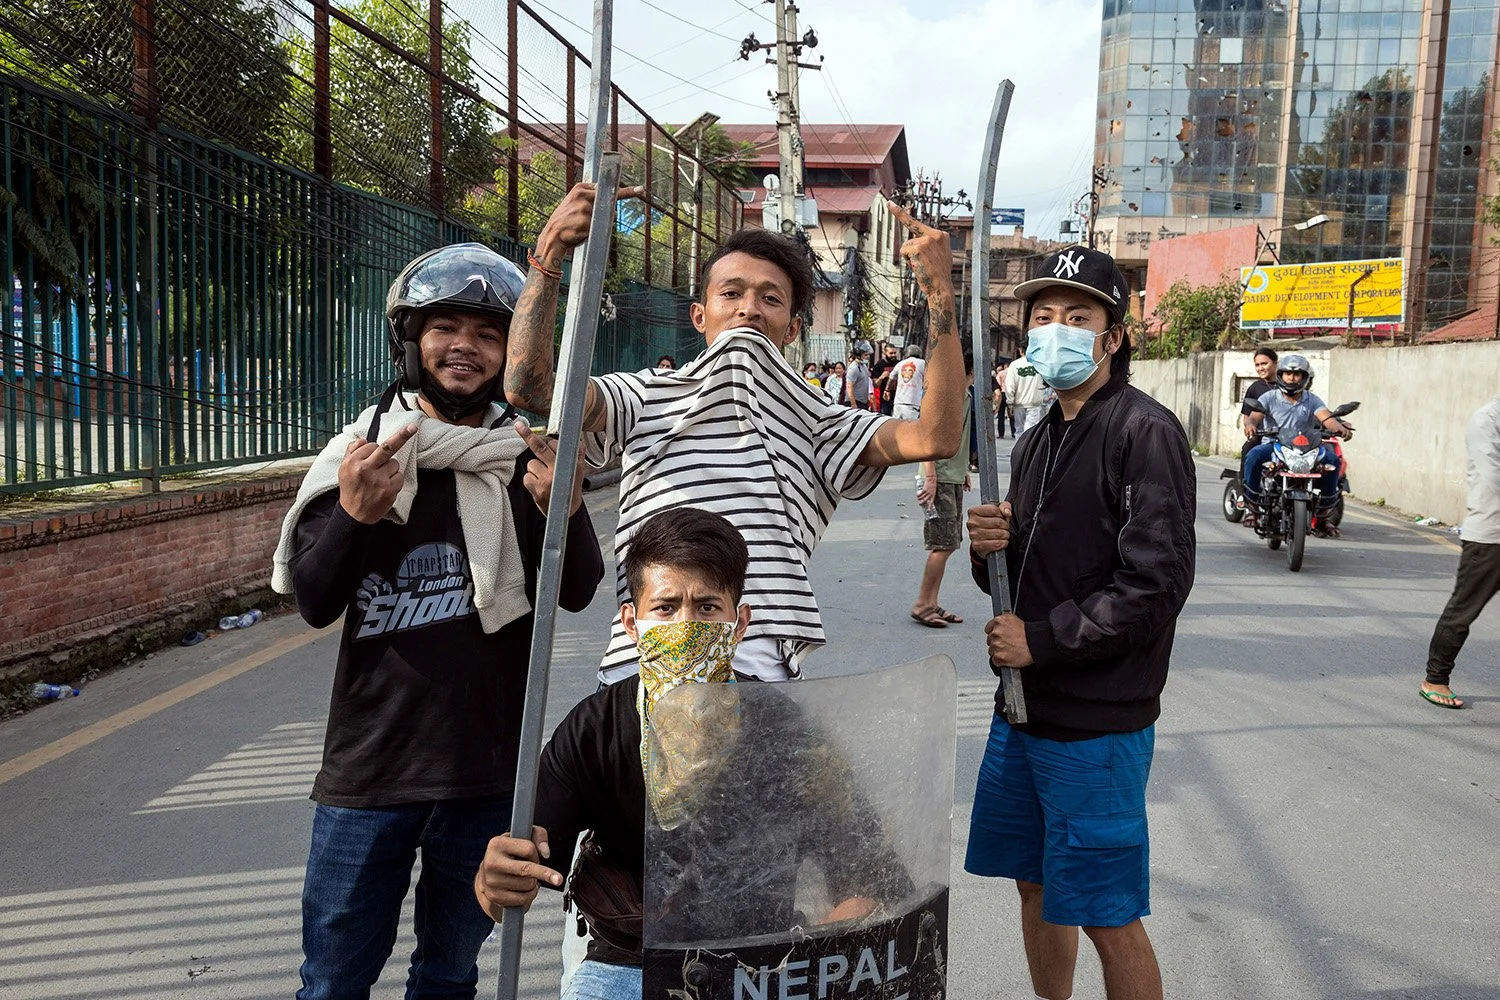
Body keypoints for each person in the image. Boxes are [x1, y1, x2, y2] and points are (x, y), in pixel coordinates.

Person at [270, 243, 606, 1000]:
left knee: (449, 976)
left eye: (488, 334)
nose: (466, 347)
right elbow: (316, 602)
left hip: (488, 776)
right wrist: (355, 515)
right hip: (368, 773)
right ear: (411, 340)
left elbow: (579, 590)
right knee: (330, 983)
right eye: (446, 327)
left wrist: (566, 509)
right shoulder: (363, 457)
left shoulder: (522, 461)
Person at [504, 185, 967, 683]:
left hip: (756, 677)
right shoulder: (644, 396)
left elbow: (935, 438)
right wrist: (550, 252)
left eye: (770, 298)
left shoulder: (821, 421)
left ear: (791, 329)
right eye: (731, 293)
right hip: (638, 671)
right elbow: (530, 389)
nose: (749, 308)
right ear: (700, 317)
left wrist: (941, 294)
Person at [472, 509, 913, 999]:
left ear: (739, 622)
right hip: (627, 961)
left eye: (706, 607)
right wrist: (496, 879)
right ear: (631, 623)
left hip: (758, 966)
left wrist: (827, 941)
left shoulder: (787, 730)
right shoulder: (594, 729)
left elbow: (867, 869)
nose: (686, 627)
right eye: (665, 608)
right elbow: (513, 873)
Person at [964, 245, 1197, 1000]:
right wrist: (984, 552)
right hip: (1022, 711)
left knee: (1108, 915)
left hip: (1095, 725)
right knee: (1033, 886)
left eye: (1077, 316)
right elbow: (1020, 575)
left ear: (1114, 336)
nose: (1055, 330)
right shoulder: (1035, 439)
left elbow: (1157, 581)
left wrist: (1045, 639)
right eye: (1043, 316)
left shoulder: (1143, 431)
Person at [1420, 391, 1500, 710]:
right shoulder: (1487, 419)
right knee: (1464, 609)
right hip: (1492, 533)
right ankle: (1435, 678)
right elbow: (1494, 476)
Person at [1241, 354, 1353, 529]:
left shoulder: (1312, 399)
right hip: (1274, 444)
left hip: (1306, 446)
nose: (1291, 378)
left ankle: (1324, 512)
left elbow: (1326, 418)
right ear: (1281, 375)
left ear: (1304, 377)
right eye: (1287, 374)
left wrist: (1339, 428)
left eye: (1296, 374)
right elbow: (1254, 417)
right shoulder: (1269, 397)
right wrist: (1250, 425)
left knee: (1332, 461)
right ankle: (1252, 506)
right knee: (1253, 455)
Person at [911, 355, 973, 629]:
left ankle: (931, 602)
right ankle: (923, 603)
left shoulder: (965, 392)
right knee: (942, 544)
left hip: (952, 476)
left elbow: (956, 436)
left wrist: (963, 471)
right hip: (939, 477)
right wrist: (932, 477)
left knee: (948, 543)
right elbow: (928, 435)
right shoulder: (947, 393)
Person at [1239, 346, 1278, 443]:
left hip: (1288, 438)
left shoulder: (1287, 387)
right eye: (1257, 365)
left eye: (1264, 364)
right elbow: (1247, 416)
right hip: (1262, 437)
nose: (1261, 368)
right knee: (1249, 453)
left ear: (1275, 363)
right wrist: (1250, 426)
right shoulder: (1254, 388)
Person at [1005, 347, 1048, 434]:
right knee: (1031, 431)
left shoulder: (1014, 364)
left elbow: (1010, 385)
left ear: (1021, 350)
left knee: (1019, 430)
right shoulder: (1039, 364)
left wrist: (1010, 402)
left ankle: (1019, 447)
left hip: (1018, 402)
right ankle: (1028, 447)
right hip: (1035, 402)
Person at [890, 344, 927, 420]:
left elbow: (891, 378)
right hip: (912, 404)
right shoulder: (922, 363)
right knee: (910, 429)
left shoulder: (900, 363)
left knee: (897, 428)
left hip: (898, 403)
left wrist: (887, 390)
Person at [845, 340, 875, 410]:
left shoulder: (863, 366)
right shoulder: (854, 368)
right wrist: (853, 403)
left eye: (868, 355)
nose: (868, 357)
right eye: (865, 355)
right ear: (858, 355)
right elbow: (849, 386)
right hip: (855, 402)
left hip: (863, 403)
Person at [872, 342, 901, 416]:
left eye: (895, 353)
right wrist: (881, 377)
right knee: (885, 419)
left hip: (898, 398)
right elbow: (875, 385)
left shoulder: (899, 364)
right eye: (891, 353)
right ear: (885, 353)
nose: (893, 355)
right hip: (885, 399)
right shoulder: (879, 365)